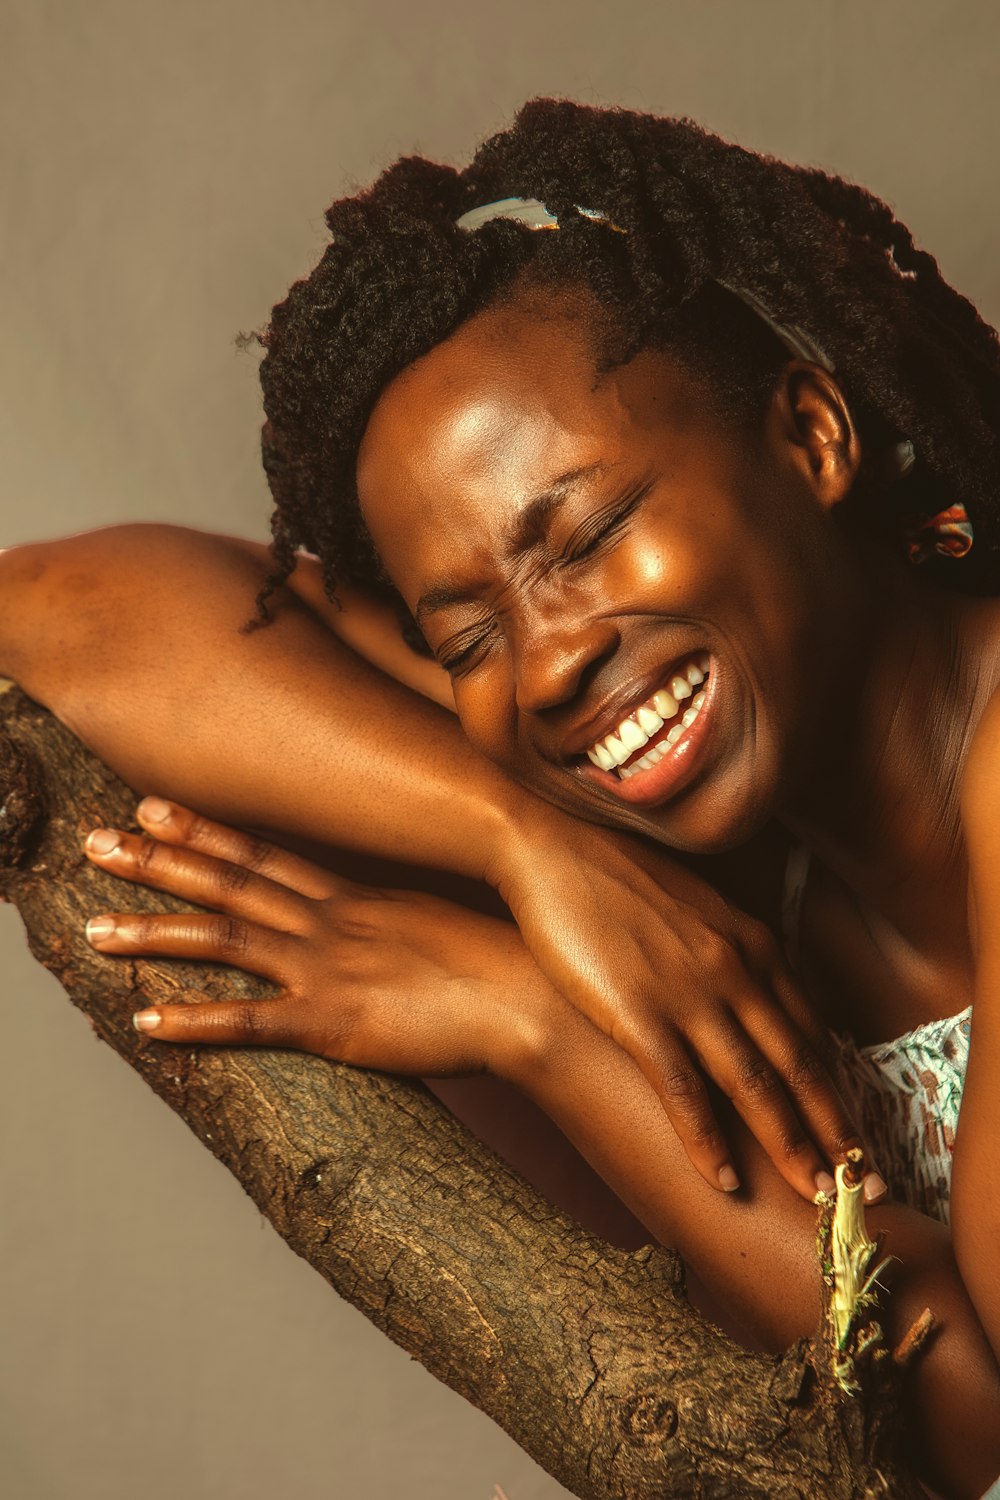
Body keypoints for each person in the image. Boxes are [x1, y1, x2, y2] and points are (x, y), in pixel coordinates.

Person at [2, 98, 999, 1497]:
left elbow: (970, 1434)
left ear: (814, 436)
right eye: (464, 637)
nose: (548, 663)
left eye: (588, 532)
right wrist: (518, 840)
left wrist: (533, 1018)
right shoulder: (733, 838)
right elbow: (47, 608)